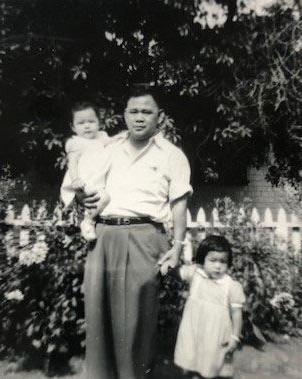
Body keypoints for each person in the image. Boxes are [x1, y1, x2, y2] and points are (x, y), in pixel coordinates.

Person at [82, 86, 193, 379]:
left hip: (146, 237)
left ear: (159, 117)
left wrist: (178, 246)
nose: (139, 118)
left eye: (147, 112)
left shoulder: (173, 155)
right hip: (104, 235)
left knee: (136, 321)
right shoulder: (108, 150)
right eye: (134, 111)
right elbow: (89, 190)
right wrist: (84, 201)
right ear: (124, 115)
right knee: (98, 316)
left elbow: (179, 204)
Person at [174, 235, 245, 379]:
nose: (218, 266)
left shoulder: (230, 286)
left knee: (211, 365)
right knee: (191, 360)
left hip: (215, 335)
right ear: (202, 259)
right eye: (213, 260)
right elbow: (174, 272)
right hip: (193, 330)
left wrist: (235, 337)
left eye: (223, 262)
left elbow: (237, 313)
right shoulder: (195, 274)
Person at [60, 101, 120, 241]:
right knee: (103, 198)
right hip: (83, 180)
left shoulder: (101, 137)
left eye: (91, 121)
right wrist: (76, 179)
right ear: (73, 127)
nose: (87, 126)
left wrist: (123, 136)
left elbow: (113, 141)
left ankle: (93, 218)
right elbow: (72, 163)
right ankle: (88, 220)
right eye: (81, 123)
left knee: (104, 199)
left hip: (96, 178)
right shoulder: (75, 143)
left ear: (99, 123)